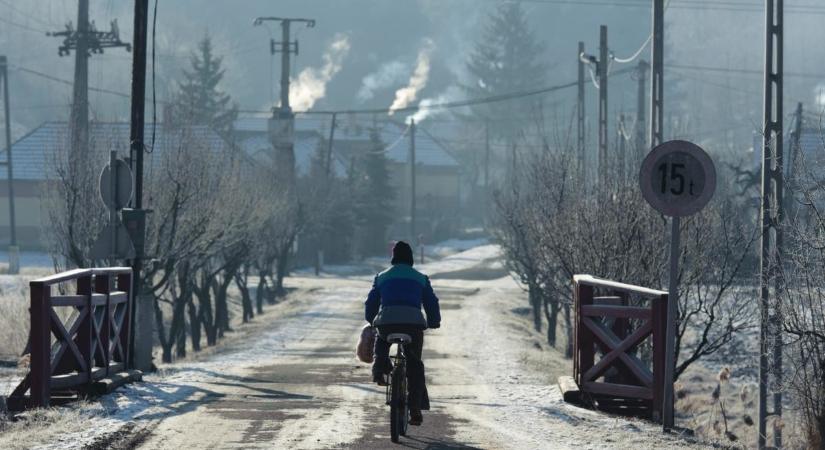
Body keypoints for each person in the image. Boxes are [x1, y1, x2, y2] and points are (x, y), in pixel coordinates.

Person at [364, 240, 441, 426]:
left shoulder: (381, 277)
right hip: (413, 325)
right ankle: (415, 408)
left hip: (388, 322)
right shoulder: (421, 278)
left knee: (382, 340)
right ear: (411, 258)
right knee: (414, 364)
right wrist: (434, 321)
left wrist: (371, 320)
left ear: (393, 257)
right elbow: (431, 302)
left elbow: (371, 303)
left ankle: (379, 367)